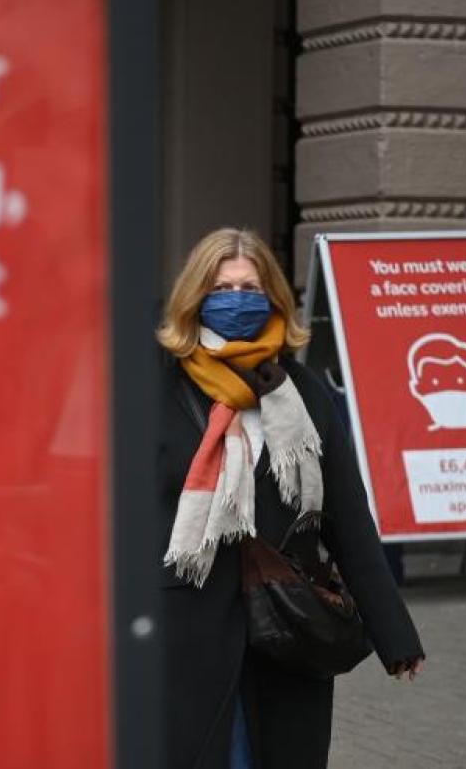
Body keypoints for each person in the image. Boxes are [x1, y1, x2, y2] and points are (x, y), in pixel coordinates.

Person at [155, 228, 424, 769]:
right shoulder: (157, 388)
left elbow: (347, 517)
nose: (236, 300)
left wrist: (395, 634)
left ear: (275, 298)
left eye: (250, 288)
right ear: (194, 298)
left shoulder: (303, 394)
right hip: (186, 628)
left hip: (289, 627)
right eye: (222, 289)